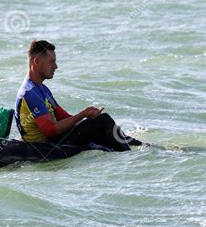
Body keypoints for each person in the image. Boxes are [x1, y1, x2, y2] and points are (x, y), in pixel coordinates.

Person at [14, 40, 142, 151]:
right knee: (103, 120)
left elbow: (63, 117)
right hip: (45, 147)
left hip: (56, 140)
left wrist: (88, 117)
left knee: (99, 123)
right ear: (36, 62)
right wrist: (82, 115)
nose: (56, 66)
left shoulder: (42, 89)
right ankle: (132, 152)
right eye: (51, 62)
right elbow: (50, 130)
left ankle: (134, 145)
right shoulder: (30, 93)